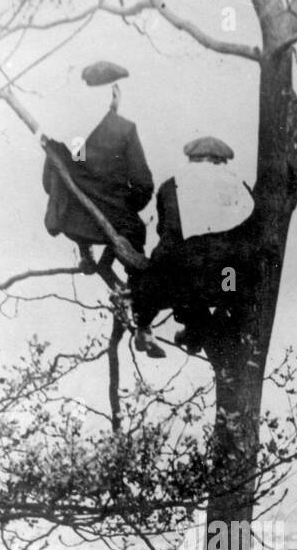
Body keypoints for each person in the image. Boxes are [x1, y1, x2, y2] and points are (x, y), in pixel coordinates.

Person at [131, 136, 254, 356]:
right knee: (232, 275)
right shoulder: (238, 186)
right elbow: (249, 232)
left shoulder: (172, 185)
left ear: (191, 158)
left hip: (187, 279)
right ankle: (208, 329)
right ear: (222, 160)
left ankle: (145, 327)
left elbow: (166, 233)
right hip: (228, 281)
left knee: (161, 276)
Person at [42, 60, 154, 281]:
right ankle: (131, 288)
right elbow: (144, 187)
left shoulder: (63, 129)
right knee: (135, 230)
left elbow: (48, 183)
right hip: (111, 222)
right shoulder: (123, 129)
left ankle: (87, 254)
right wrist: (120, 201)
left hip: (70, 220)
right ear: (114, 92)